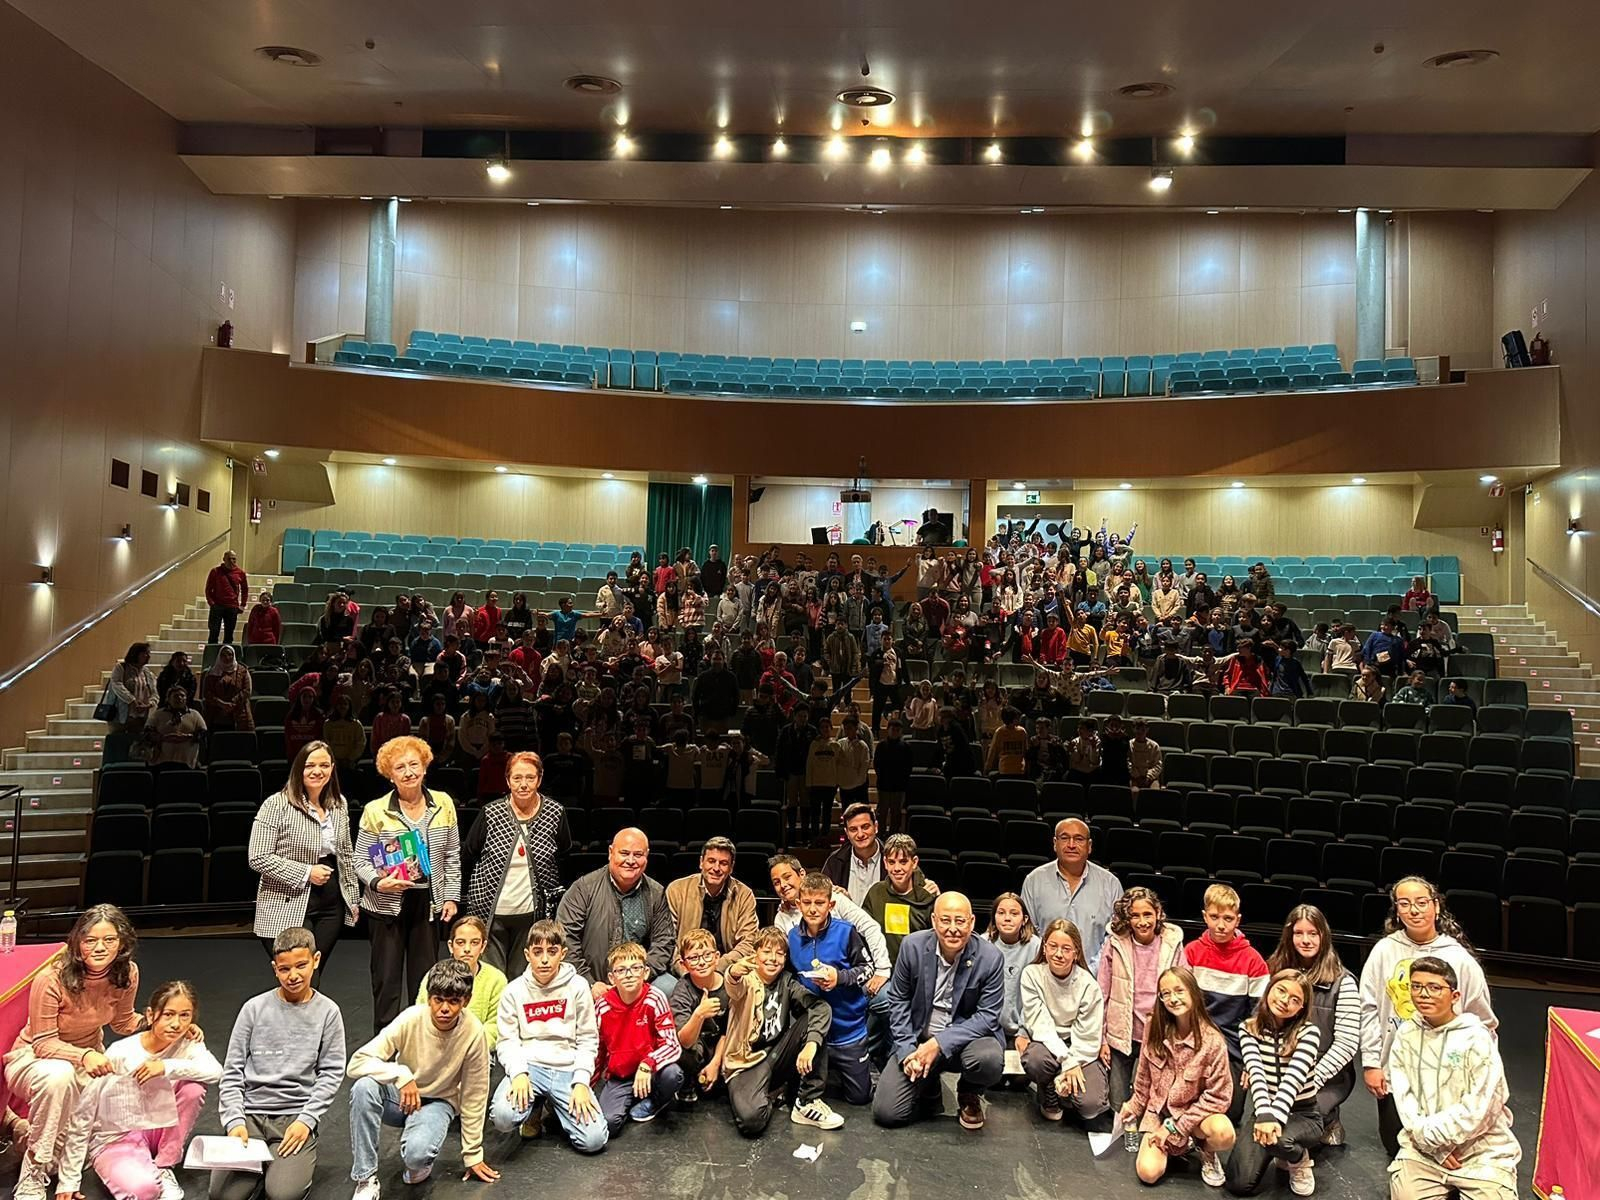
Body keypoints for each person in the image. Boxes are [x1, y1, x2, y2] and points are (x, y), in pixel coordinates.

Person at [5, 905, 147, 1200]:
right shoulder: (52, 978)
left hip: (89, 1061)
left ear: (122, 942)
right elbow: (44, 1043)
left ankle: (22, 1131)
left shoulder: (127, 973)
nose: (99, 947)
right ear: (78, 944)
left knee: (66, 1159)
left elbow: (122, 1022)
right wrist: (83, 1056)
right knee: (59, 1076)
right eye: (90, 940)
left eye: (108, 940)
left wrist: (160, 1021)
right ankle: (32, 1171)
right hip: (35, 1059)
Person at [1360, 876, 1496, 1158]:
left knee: (1448, 1143)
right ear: (1396, 910)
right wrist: (1372, 1062)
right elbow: (1369, 1009)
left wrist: (1484, 1075)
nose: (1414, 910)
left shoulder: (1459, 959)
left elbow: (1483, 1021)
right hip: (1396, 1069)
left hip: (1448, 1072)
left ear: (1436, 906)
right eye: (1405, 904)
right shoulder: (1384, 950)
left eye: (1422, 902)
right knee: (1397, 1146)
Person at [211, 927, 346, 1200]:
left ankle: (278, 1163)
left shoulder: (328, 1012)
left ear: (316, 960)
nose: (293, 975)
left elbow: (331, 1072)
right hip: (250, 1117)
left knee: (283, 1194)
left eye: (301, 965)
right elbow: (233, 1070)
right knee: (222, 1196)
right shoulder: (253, 1008)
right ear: (275, 969)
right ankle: (260, 1162)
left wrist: (307, 1120)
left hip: (293, 1119)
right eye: (284, 969)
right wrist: (234, 1121)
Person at [55, 980, 221, 1200]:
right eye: (169, 1014)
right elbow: (84, 1115)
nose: (176, 1024)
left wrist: (165, 1067)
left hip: (156, 1130)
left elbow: (215, 1072)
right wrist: (69, 1179)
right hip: (118, 1136)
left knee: (193, 1088)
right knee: (145, 1191)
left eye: (184, 1016)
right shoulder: (121, 1053)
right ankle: (140, 1170)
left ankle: (164, 1164)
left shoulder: (188, 1045)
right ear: (151, 1015)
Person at [347, 957, 496, 1199]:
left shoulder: (473, 1032)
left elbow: (474, 1094)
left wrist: (473, 1154)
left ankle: (420, 1150)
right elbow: (356, 1063)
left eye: (453, 1001)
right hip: (403, 1096)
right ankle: (366, 1179)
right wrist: (401, 1074)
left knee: (417, 1156)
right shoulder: (411, 1018)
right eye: (438, 1000)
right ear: (429, 998)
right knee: (364, 1087)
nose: (444, 1009)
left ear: (465, 1002)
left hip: (439, 1101)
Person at [1386, 957, 1521, 1200]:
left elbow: (1481, 1107)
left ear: (1455, 996)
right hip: (1423, 1148)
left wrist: (1441, 1140)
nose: (1423, 994)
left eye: (1434, 987)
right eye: (1416, 986)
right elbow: (1405, 1100)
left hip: (1480, 1147)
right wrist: (1433, 1146)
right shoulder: (1406, 1035)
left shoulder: (1476, 1038)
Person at [872, 892, 1005, 1131]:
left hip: (966, 1043)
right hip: (919, 1040)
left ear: (972, 922)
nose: (952, 928)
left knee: (989, 1059)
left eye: (960, 921)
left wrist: (938, 1044)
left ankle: (969, 1092)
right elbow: (898, 999)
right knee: (886, 1113)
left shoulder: (990, 958)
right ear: (934, 921)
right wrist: (906, 1051)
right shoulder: (912, 946)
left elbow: (988, 1016)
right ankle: (928, 1079)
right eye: (945, 920)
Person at [355, 735, 463, 1029]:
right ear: (390, 775)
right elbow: (360, 861)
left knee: (425, 982)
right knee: (386, 983)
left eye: (414, 764)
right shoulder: (375, 810)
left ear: (425, 767)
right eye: (400, 767)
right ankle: (385, 1050)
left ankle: (422, 1042)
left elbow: (453, 855)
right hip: (386, 905)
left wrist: (452, 896)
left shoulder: (443, 803)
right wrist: (378, 882)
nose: (409, 772)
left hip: (428, 904)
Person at [487, 920, 608, 1154]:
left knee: (594, 1141)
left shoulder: (578, 986)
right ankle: (535, 1105)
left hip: (567, 1069)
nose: (544, 959)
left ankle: (553, 1105)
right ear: (527, 954)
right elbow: (508, 1041)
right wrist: (519, 1073)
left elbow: (587, 1038)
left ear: (562, 954)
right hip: (531, 1067)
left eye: (552, 952)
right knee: (502, 1116)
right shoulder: (514, 990)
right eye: (537, 952)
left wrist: (581, 1082)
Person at [249, 741, 361, 978]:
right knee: (297, 978)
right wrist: (306, 872)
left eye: (324, 765)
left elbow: (346, 855)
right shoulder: (276, 804)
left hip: (330, 907)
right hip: (285, 903)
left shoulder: (338, 805)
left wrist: (352, 898)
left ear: (332, 769)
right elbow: (258, 857)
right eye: (310, 765)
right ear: (299, 768)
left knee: (312, 975)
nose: (317, 771)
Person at [1118, 965, 1237, 1188]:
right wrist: (1134, 1105)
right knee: (1148, 1173)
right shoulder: (1154, 1025)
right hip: (1159, 1114)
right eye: (1166, 994)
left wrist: (1176, 1128)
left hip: (1193, 1118)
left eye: (1179, 991)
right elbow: (1143, 1073)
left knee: (1223, 1132)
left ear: (1193, 992)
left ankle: (1206, 1152)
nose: (1173, 998)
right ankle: (1175, 1147)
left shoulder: (1213, 1041)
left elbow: (1218, 1098)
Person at [460, 751, 572, 973]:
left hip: (532, 915)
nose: (523, 784)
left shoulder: (555, 813)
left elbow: (564, 853)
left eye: (530, 778)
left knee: (523, 980)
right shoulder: (491, 813)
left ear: (539, 779)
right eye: (517, 778)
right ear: (507, 780)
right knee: (493, 978)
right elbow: (469, 854)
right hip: (490, 913)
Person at [721, 928, 841, 1134]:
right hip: (746, 1064)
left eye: (780, 953)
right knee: (751, 1121)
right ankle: (773, 1093)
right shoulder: (747, 979)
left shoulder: (787, 982)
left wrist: (812, 1043)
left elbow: (820, 1008)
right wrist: (733, 972)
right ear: (755, 954)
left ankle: (807, 1101)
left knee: (815, 1017)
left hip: (776, 1056)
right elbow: (733, 986)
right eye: (767, 951)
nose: (773, 958)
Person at [1223, 970, 1323, 1196]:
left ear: (1302, 1007)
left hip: (1303, 1114)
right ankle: (1275, 1147)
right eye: (1281, 990)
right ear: (1270, 989)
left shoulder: (1309, 1032)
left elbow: (1293, 1079)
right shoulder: (1248, 1028)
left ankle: (1299, 1159)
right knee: (1239, 1183)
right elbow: (1256, 1073)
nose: (1285, 1001)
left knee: (1280, 1141)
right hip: (1264, 1109)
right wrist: (1264, 1115)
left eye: (1295, 999)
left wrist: (1273, 1119)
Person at [1268, 905, 1360, 1146]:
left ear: (1324, 936)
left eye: (1313, 933)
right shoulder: (1275, 972)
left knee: (1295, 1125)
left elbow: (1347, 1044)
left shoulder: (1344, 982)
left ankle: (1329, 1119)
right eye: (1299, 933)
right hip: (1278, 1069)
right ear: (1290, 935)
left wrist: (1308, 1079)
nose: (1306, 940)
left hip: (1324, 1076)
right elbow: (1261, 1024)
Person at [789, 873, 876, 1107]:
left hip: (849, 1030)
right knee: (797, 1096)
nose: (813, 909)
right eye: (807, 903)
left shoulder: (847, 932)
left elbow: (868, 969)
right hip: (813, 1033)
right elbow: (789, 977)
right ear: (798, 904)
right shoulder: (792, 937)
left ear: (831, 904)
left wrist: (840, 977)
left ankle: (858, 1072)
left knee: (859, 1099)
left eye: (820, 903)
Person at [1184, 883, 1270, 1121]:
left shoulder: (1253, 961)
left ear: (1238, 920)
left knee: (1229, 1114)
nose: (1221, 925)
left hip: (1234, 1047)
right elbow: (1181, 1006)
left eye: (1228, 918)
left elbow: (1259, 1017)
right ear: (1205, 916)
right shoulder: (1191, 952)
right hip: (1196, 1042)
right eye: (1214, 917)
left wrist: (1254, 1062)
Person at [556, 829, 676, 997]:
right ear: (611, 852)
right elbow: (565, 939)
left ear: (646, 856)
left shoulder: (655, 893)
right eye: (624, 853)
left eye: (638, 854)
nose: (631, 860)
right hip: (590, 979)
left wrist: (639, 976)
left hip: (640, 979)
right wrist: (589, 982)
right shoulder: (583, 889)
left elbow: (664, 942)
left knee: (670, 988)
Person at [1098, 885, 1185, 1111]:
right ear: (1127, 918)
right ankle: (1123, 1141)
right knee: (1118, 1102)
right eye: (1135, 915)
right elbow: (1102, 993)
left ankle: (1148, 1141)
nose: (1142, 921)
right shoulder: (1114, 944)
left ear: (1157, 914)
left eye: (1147, 914)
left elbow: (1184, 991)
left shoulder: (1172, 943)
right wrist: (1102, 1039)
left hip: (1159, 1034)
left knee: (1154, 1100)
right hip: (1121, 1035)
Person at [1020, 919, 1111, 1128]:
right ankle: (1049, 1090)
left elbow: (1088, 1035)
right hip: (1048, 1045)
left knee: (1090, 1107)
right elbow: (1040, 1024)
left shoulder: (1088, 984)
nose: (1058, 954)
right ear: (1044, 948)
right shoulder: (1032, 975)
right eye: (1053, 946)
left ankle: (1065, 1092)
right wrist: (1066, 1062)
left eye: (1066, 948)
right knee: (1035, 1060)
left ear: (1076, 953)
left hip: (1081, 1047)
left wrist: (1074, 1061)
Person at [591, 943, 684, 1131]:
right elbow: (596, 1049)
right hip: (621, 1075)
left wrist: (647, 1063)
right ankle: (633, 1096)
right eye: (621, 970)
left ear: (646, 972)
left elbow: (672, 1044)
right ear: (611, 977)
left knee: (673, 1075)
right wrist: (587, 1085)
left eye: (635, 968)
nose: (629, 974)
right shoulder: (602, 1006)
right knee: (609, 1123)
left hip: (651, 1070)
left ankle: (655, 1101)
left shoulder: (655, 998)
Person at [1019, 818, 1124, 974]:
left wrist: (1090, 972)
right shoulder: (1034, 881)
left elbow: (1115, 937)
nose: (1071, 845)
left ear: (1089, 846)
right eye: (1064, 838)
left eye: (1079, 839)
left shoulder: (1111, 884)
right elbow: (1028, 933)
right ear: (1055, 843)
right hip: (1045, 978)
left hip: (1094, 981)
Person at [664, 837, 758, 973]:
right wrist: (685, 970)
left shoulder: (744, 894)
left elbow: (749, 942)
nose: (716, 868)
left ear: (731, 868)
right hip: (685, 969)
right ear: (701, 862)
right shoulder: (676, 890)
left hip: (728, 971)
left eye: (723, 863)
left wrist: (718, 967)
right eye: (711, 861)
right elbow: (668, 940)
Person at [668, 930, 730, 1105]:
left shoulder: (729, 986)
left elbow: (729, 1030)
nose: (702, 962)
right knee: (678, 1050)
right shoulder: (682, 990)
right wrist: (699, 1014)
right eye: (694, 958)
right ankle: (688, 1083)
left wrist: (716, 1063)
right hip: (696, 1048)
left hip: (723, 1047)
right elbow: (684, 1042)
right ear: (684, 964)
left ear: (717, 957)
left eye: (707, 955)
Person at [416, 915, 507, 1029]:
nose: (467, 949)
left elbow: (495, 1025)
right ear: (450, 946)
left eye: (474, 942)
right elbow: (421, 1015)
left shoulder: (496, 979)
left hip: (478, 1044)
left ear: (483, 946)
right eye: (460, 942)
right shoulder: (435, 974)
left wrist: (470, 1044)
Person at [862, 835, 938, 967]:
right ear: (885, 863)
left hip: (918, 972)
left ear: (914, 862)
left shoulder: (928, 896)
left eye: (903, 862)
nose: (897, 868)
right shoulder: (875, 893)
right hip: (882, 970)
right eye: (891, 862)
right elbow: (863, 933)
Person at [985, 892, 1039, 1069]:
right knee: (992, 1071)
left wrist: (1024, 1031)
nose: (1007, 918)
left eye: (1014, 913)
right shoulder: (982, 943)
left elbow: (1038, 995)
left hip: (1022, 1028)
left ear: (1024, 919)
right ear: (994, 917)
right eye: (1001, 913)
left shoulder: (1036, 947)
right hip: (990, 1028)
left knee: (1018, 1079)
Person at [145, 687, 207, 768]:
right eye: (176, 696)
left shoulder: (194, 714)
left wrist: (189, 737)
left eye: (182, 696)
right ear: (168, 699)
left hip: (188, 763)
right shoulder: (158, 714)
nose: (179, 698)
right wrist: (163, 738)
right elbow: (147, 733)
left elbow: (203, 733)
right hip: (161, 762)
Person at [206, 549, 248, 645]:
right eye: (229, 559)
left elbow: (245, 589)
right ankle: (213, 654)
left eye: (234, 559)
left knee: (229, 634)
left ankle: (226, 655)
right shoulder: (215, 571)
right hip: (217, 606)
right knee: (214, 632)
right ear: (224, 559)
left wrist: (243, 604)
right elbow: (208, 589)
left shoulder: (240, 573)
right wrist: (212, 603)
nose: (232, 561)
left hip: (232, 607)